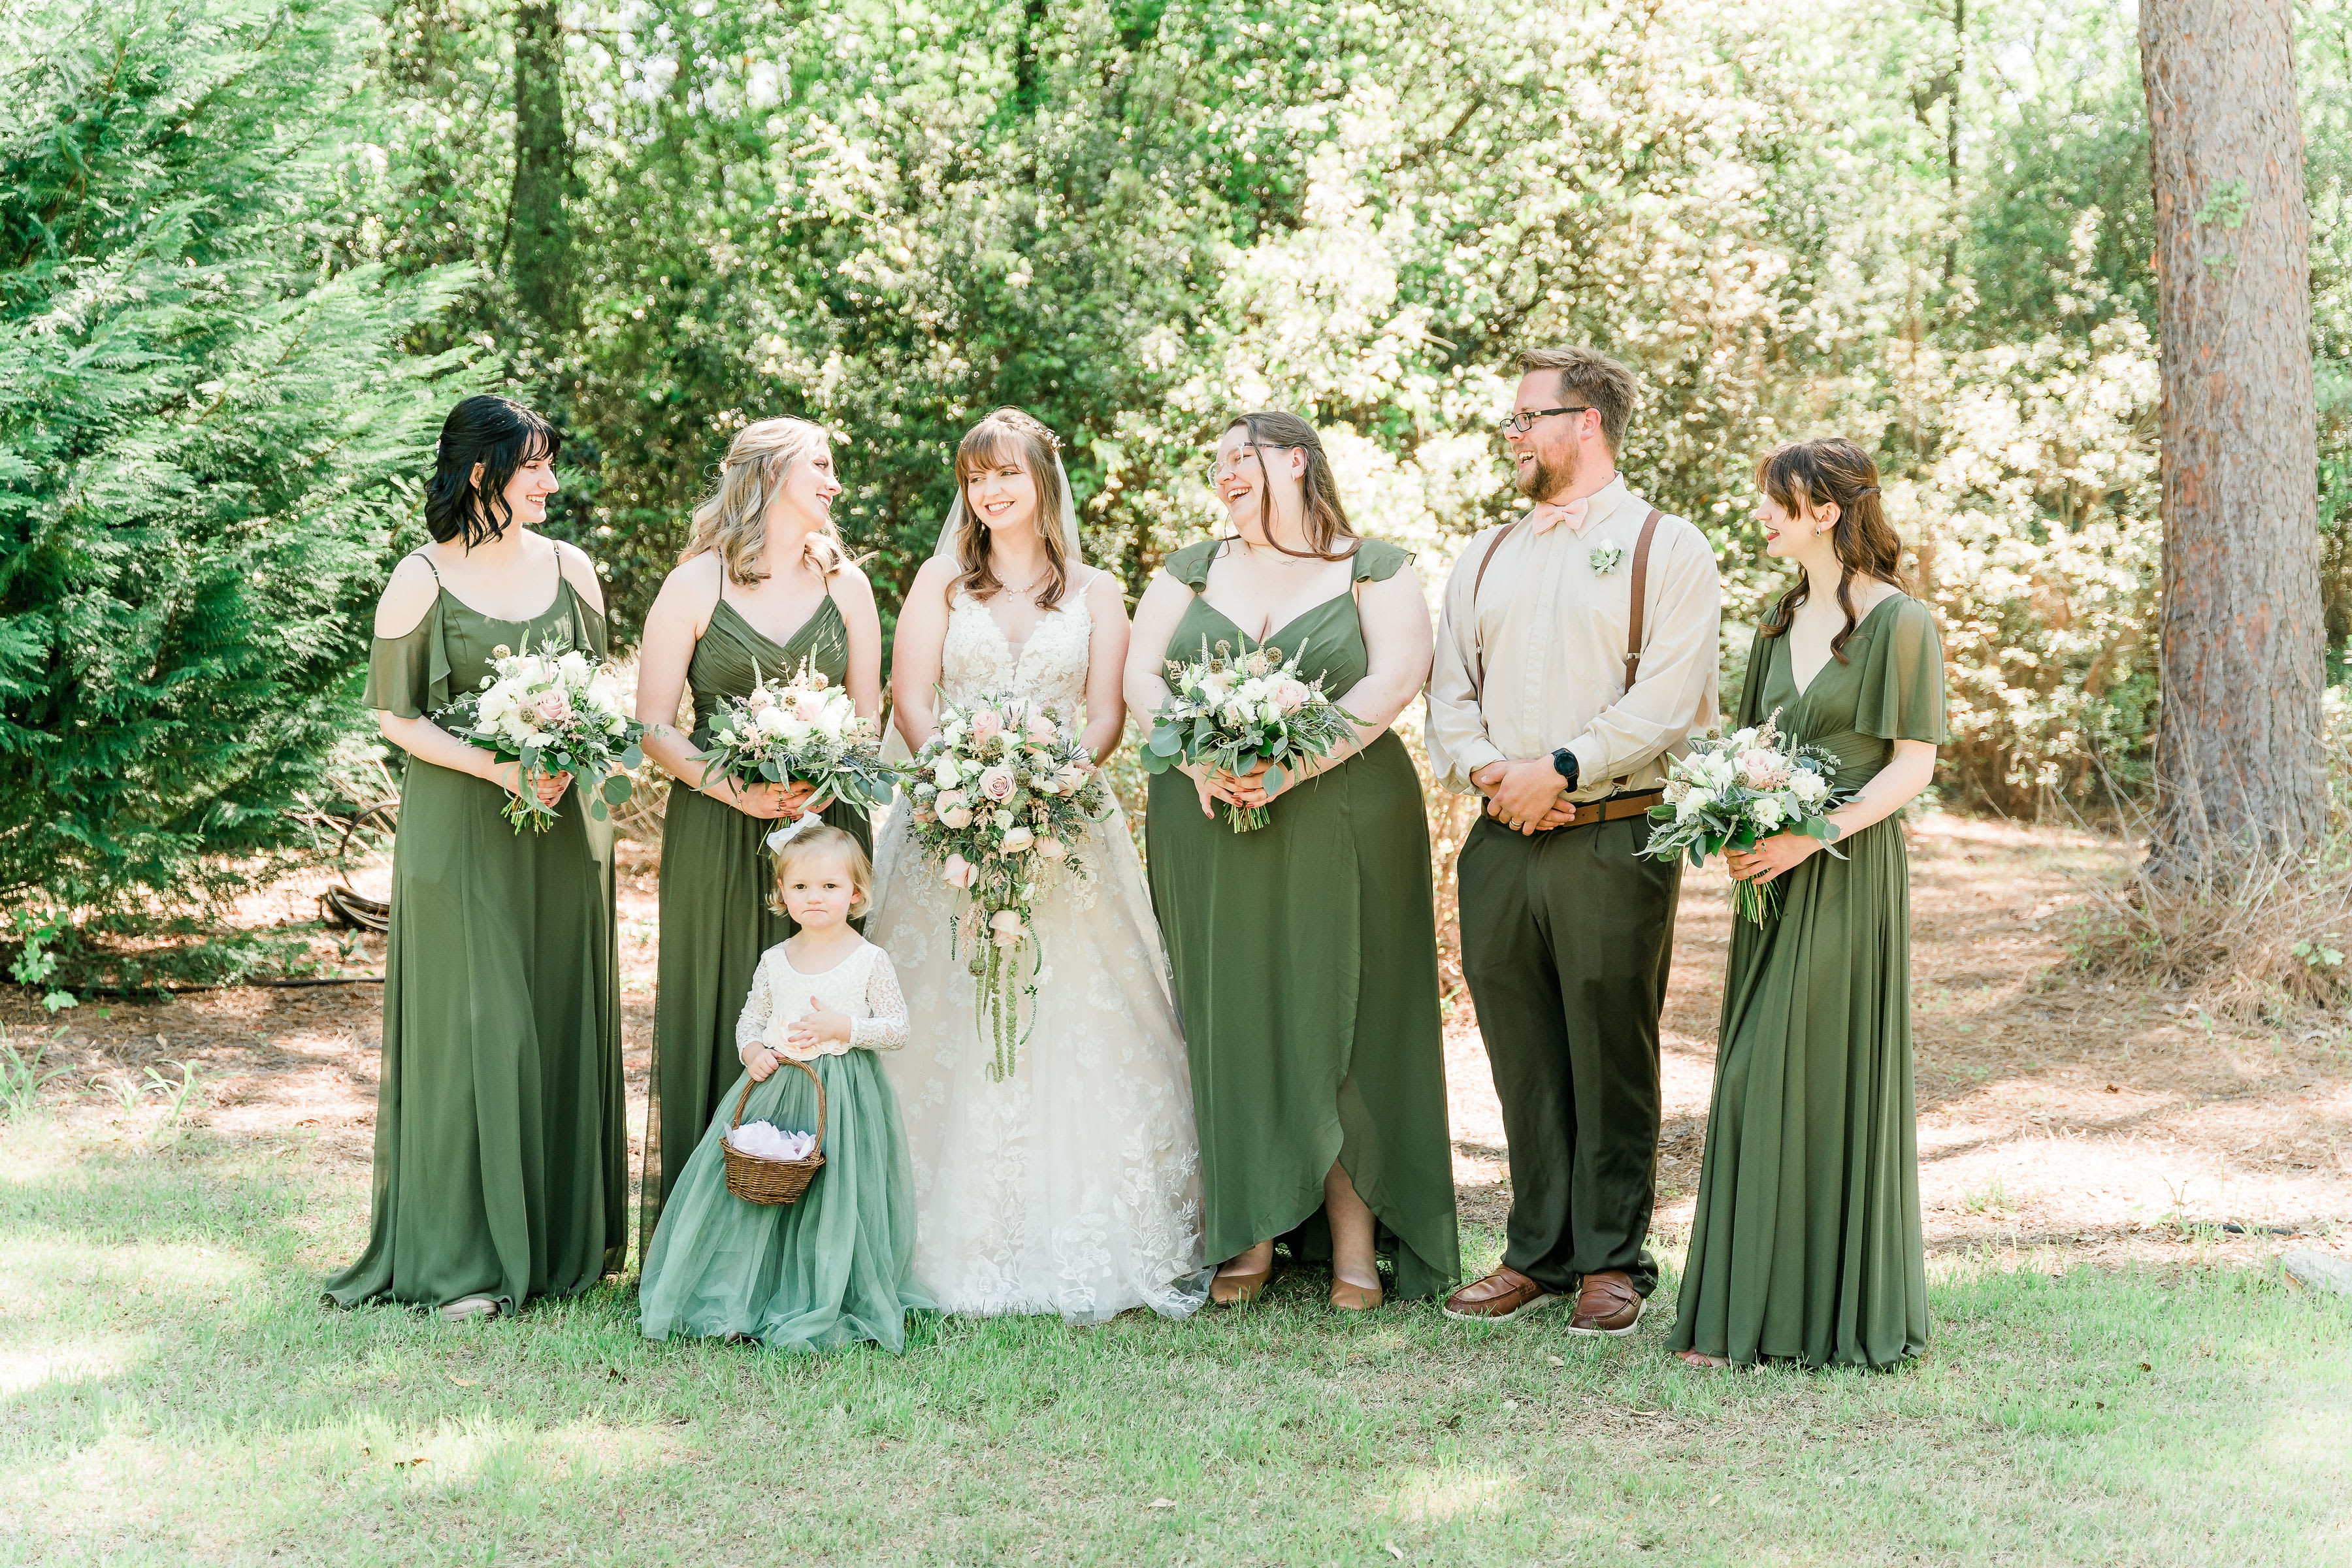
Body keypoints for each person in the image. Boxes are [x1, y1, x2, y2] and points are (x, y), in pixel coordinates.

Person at [866, 407, 1206, 1322]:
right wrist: (959, 789)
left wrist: (1045, 789)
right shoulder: (940, 581)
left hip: (1066, 824)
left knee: (1077, 1008)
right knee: (942, 1009)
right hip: (945, 820)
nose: (990, 491)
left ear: (1043, 481)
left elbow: (1106, 715)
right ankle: (930, 1236)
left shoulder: (1098, 592)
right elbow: (911, 696)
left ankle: (1090, 1233)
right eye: (976, 478)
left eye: (1006, 473)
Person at [1126, 411, 1460, 1311]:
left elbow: (1395, 679)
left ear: (1299, 462)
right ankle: (1248, 1230)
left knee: (1346, 1012)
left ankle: (1357, 1243)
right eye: (1217, 462)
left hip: (1345, 812)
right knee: (1230, 1010)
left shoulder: (1373, 567)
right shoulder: (1189, 569)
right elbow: (1141, 677)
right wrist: (1198, 763)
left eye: (1244, 456)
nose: (1225, 473)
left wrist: (1293, 766)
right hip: (1205, 813)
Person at [1426, 347, 1721, 1331]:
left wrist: (1560, 767)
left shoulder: (1667, 547)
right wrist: (1492, 775)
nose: (1512, 435)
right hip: (1500, 839)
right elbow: (1449, 695)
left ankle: (1612, 1261)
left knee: (1610, 1046)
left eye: (1526, 418)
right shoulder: (1484, 554)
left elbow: (1670, 697)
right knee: (1520, 1052)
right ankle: (1536, 1257)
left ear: (1584, 422)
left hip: (1615, 831)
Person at [325, 393, 627, 1319]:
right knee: (477, 1023)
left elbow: (598, 691)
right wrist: (500, 766)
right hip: (460, 825)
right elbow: (396, 716)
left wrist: (571, 758)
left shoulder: (573, 569)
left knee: (556, 1010)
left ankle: (561, 1244)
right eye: (535, 466)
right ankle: (462, 1260)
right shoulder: (420, 577)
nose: (552, 483)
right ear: (485, 471)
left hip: (564, 827)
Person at [1671, 437, 1945, 1370]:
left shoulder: (1901, 623)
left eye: (1776, 501)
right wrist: (1730, 821)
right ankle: (1754, 1314)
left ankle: (1809, 1314)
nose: (1761, 514)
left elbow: (1913, 767)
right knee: (1762, 1079)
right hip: (1770, 880)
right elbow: (1751, 749)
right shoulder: (1776, 622)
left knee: (1783, 1075)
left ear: (1826, 511)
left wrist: (1810, 836)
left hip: (1846, 872)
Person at [633, 418, 884, 1255]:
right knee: (721, 1002)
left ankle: (817, 1237)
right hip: (717, 828)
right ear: (771, 473)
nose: (835, 482)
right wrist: (736, 790)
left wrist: (826, 779)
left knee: (823, 1010)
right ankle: (708, 1240)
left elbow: (869, 718)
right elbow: (654, 725)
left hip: (827, 832)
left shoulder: (847, 585)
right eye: (821, 465)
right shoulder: (694, 583)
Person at [639, 823, 931, 1351]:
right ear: (782, 893)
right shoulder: (776, 960)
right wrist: (752, 1051)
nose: (814, 897)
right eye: (800, 887)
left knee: (832, 1196)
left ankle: (821, 1295)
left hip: (840, 1097)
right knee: (760, 1191)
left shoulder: (869, 960)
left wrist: (845, 1027)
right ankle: (743, 1296)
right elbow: (750, 1020)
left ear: (856, 893)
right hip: (776, 1092)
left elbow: (897, 1030)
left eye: (829, 886)